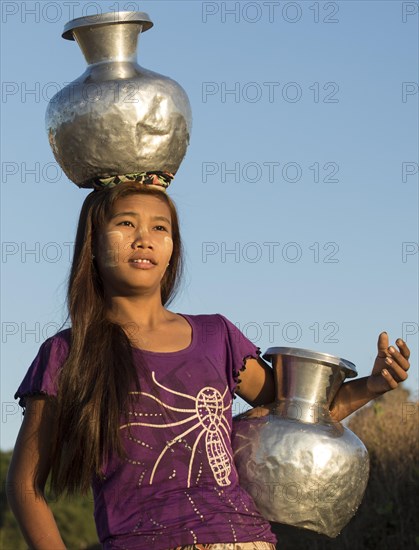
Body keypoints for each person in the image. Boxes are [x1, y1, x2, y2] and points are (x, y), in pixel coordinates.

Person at [6, 180, 410, 550]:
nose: (144, 239)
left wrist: (371, 387)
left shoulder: (218, 337)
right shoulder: (68, 353)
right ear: (92, 243)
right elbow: (25, 486)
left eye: (160, 228)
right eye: (126, 224)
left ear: (173, 250)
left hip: (244, 541)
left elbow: (301, 420)